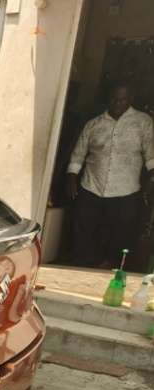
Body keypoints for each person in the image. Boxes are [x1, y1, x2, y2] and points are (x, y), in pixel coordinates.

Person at [67, 83, 154, 268]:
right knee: (85, 230)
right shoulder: (93, 124)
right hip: (91, 186)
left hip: (126, 190)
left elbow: (151, 157)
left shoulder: (143, 122)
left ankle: (112, 267)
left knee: (120, 234)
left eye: (123, 99)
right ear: (109, 99)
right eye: (114, 99)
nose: (117, 103)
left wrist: (151, 181)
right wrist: (71, 177)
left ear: (130, 100)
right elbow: (78, 154)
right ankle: (81, 266)